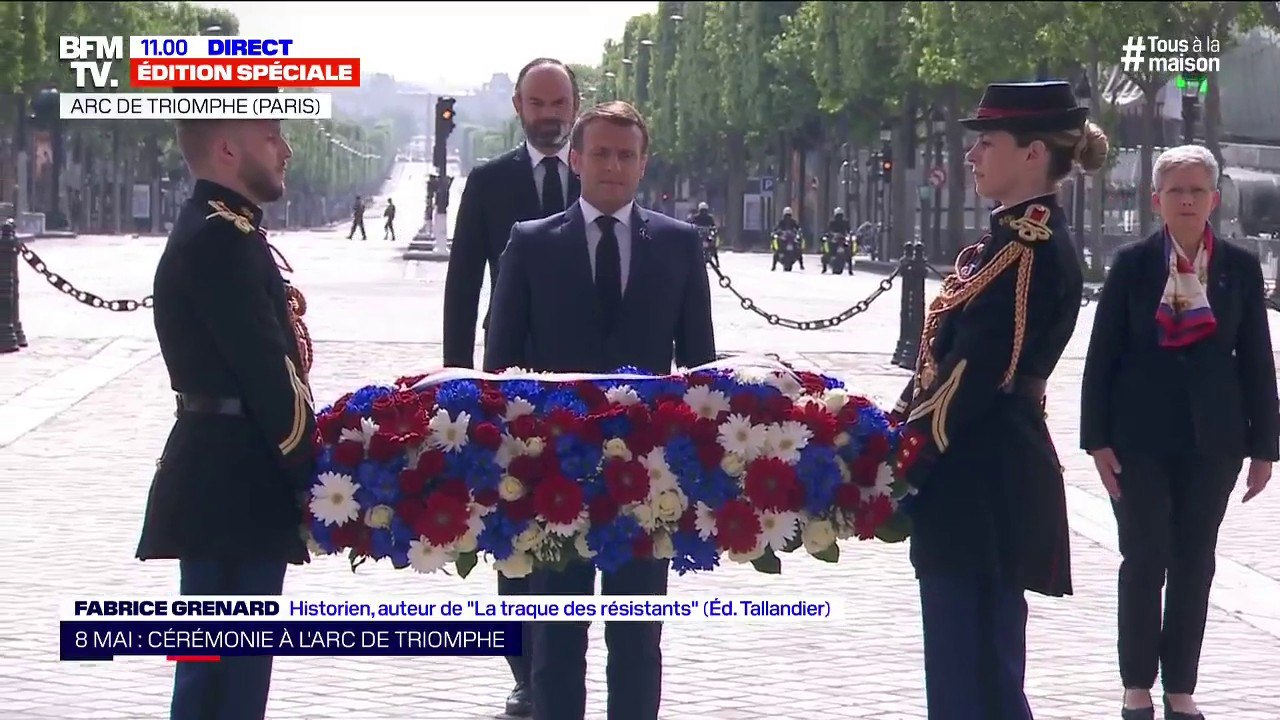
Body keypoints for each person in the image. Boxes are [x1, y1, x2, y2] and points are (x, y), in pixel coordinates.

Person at [483, 100, 716, 720]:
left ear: (643, 165)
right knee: (555, 641)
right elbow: (500, 365)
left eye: (627, 154)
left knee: (637, 639)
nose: (613, 165)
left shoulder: (679, 243)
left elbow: (700, 368)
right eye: (602, 153)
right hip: (555, 473)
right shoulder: (531, 244)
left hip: (650, 482)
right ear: (577, 160)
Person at [887, 80, 1110, 720]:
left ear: (1033, 152)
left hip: (980, 483)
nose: (972, 154)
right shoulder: (1007, 245)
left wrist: (901, 461)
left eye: (987, 141)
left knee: (973, 682)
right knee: (974, 674)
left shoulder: (1029, 251)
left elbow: (971, 379)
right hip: (975, 483)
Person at [1080, 144, 1278, 720]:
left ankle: (1181, 688)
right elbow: (1103, 355)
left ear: (1214, 199)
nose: (1187, 200)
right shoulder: (1133, 265)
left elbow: (1257, 362)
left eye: (1197, 190)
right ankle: (1137, 683)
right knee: (1144, 556)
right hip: (1137, 438)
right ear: (1157, 200)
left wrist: (1265, 446)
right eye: (1175, 191)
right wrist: (1097, 439)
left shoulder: (1239, 268)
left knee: (1196, 560)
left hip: (1214, 441)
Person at [136, 89, 315, 720]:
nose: (286, 149)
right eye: (272, 135)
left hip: (229, 472)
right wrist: (312, 469)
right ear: (229, 146)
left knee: (222, 674)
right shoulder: (221, 239)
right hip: (234, 478)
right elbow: (267, 372)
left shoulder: (227, 230)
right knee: (223, 684)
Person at [441, 56, 581, 718]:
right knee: (514, 530)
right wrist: (456, 381)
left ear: (573, 107)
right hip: (508, 380)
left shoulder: (602, 172)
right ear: (520, 109)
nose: (549, 115)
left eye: (559, 104)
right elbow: (464, 284)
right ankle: (526, 671)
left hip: (588, 384)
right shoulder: (489, 182)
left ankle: (561, 666)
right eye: (538, 103)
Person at [821, 208, 852, 273]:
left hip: (843, 239)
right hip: (834, 239)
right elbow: (828, 230)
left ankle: (850, 270)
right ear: (835, 215)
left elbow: (849, 230)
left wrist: (850, 235)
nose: (839, 217)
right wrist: (829, 235)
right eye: (838, 215)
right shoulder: (832, 222)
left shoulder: (845, 222)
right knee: (826, 252)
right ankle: (824, 268)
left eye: (840, 215)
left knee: (848, 254)